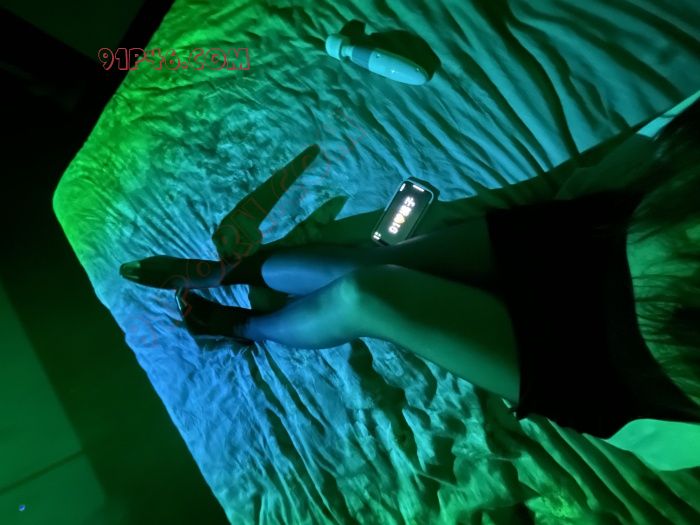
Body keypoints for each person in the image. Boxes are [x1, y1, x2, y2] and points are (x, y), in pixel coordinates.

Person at [119, 98, 700, 468]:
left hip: (616, 367)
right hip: (589, 241)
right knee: (357, 267)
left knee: (366, 293)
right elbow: (645, 153)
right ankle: (222, 272)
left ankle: (248, 327)